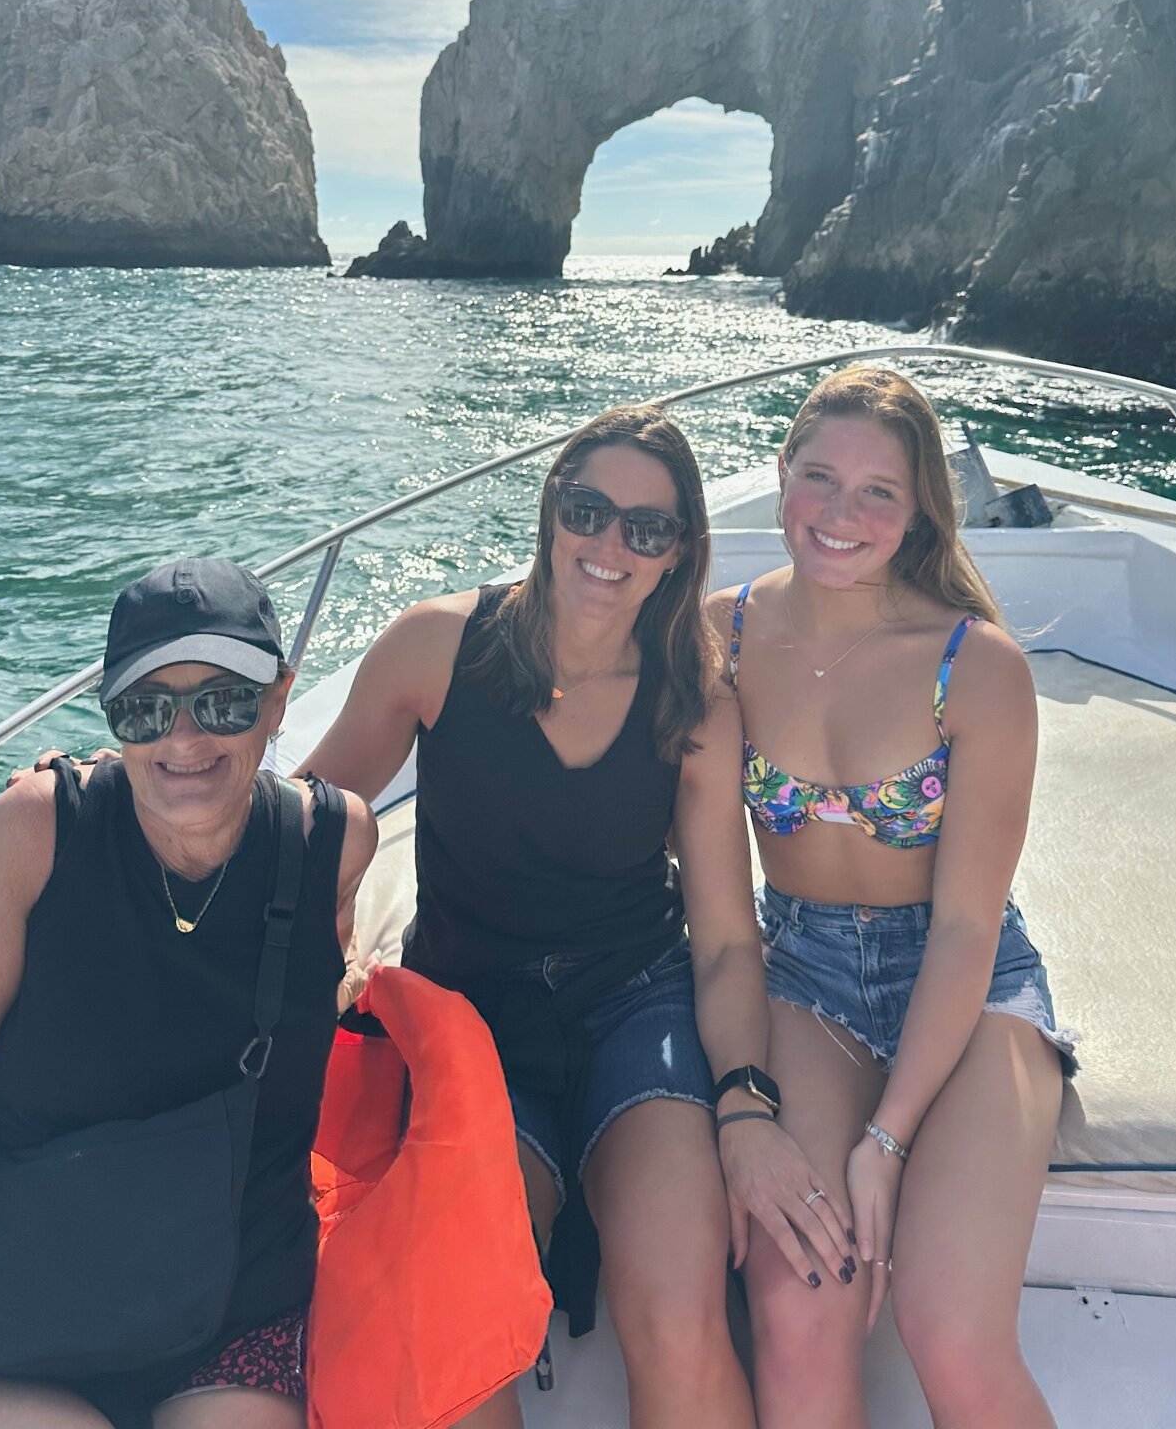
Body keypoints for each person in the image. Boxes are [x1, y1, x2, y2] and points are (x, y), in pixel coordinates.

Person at [303, 406, 857, 1429]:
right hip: (469, 1013)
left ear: (678, 551)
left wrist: (742, 1099)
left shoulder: (693, 700)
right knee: (457, 1328)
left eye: (646, 530)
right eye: (589, 511)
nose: (610, 547)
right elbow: (309, 816)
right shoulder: (436, 650)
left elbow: (728, 936)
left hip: (634, 1005)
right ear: (551, 511)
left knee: (681, 1317)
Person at [0, 558, 375, 1429]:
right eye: (146, 708)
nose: (184, 739)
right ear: (112, 719)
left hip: (229, 1304)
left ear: (280, 699)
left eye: (223, 701)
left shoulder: (335, 841)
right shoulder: (37, 833)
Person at [709, 366, 1076, 1429]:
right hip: (806, 980)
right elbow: (725, 915)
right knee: (796, 1306)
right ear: (780, 478)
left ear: (919, 512)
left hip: (970, 988)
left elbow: (966, 923)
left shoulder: (976, 666)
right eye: (819, 476)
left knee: (949, 1325)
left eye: (880, 492)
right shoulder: (719, 639)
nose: (841, 513)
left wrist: (889, 1141)